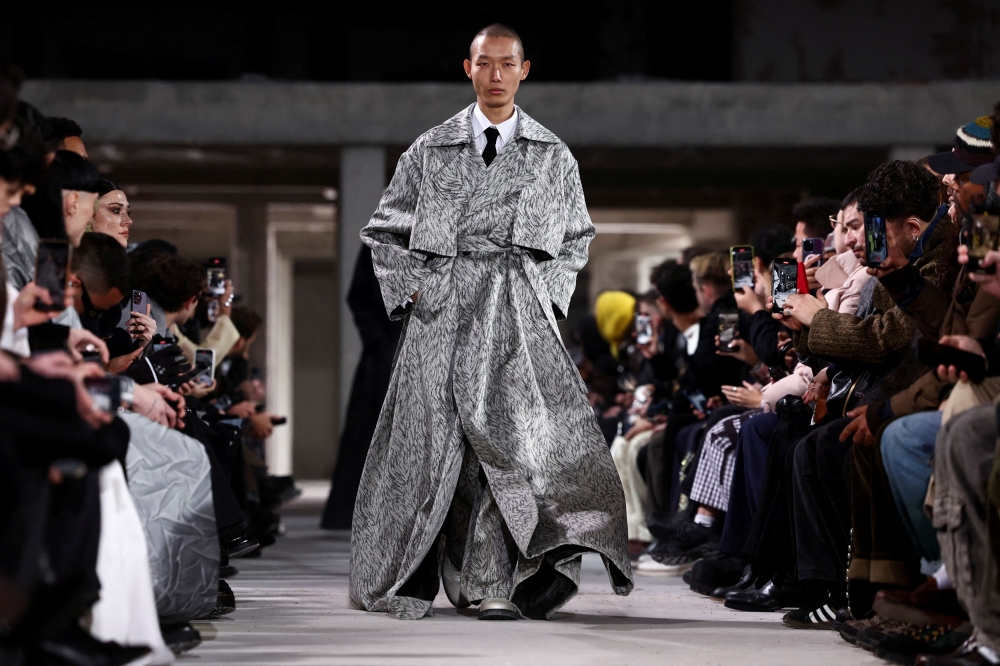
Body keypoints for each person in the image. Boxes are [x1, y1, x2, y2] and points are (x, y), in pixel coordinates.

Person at [350, 23, 632, 622]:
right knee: (435, 447)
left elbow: (576, 238)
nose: (496, 74)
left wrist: (542, 297)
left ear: (524, 70)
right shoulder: (429, 150)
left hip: (515, 320)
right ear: (468, 68)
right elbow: (382, 231)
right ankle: (439, 568)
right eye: (486, 63)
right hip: (441, 319)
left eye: (508, 64)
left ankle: (492, 582)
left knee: (508, 450)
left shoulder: (552, 156)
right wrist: (418, 288)